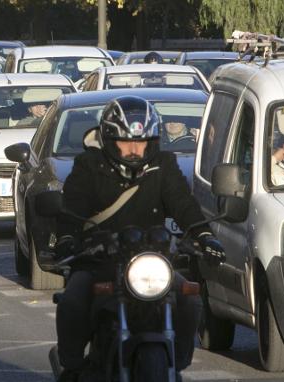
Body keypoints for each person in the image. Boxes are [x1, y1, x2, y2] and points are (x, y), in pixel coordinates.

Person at [53, 96, 226, 382]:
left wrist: (205, 236)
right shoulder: (88, 165)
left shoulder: (164, 164)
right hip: (100, 258)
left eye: (142, 142)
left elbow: (183, 203)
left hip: (152, 259)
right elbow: (72, 207)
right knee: (72, 299)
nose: (134, 150)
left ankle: (177, 362)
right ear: (109, 140)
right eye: (126, 143)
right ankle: (70, 366)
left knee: (190, 300)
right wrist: (66, 239)